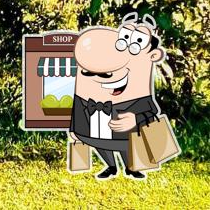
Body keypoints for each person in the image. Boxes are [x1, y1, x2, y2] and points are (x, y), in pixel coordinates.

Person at [69, 13, 165, 179]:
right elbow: (78, 108)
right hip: (96, 130)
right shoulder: (86, 94)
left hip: (125, 132)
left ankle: (131, 167)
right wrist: (73, 129)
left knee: (124, 144)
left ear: (153, 55)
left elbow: (151, 110)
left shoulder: (139, 96)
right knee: (100, 144)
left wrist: (135, 119)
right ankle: (111, 166)